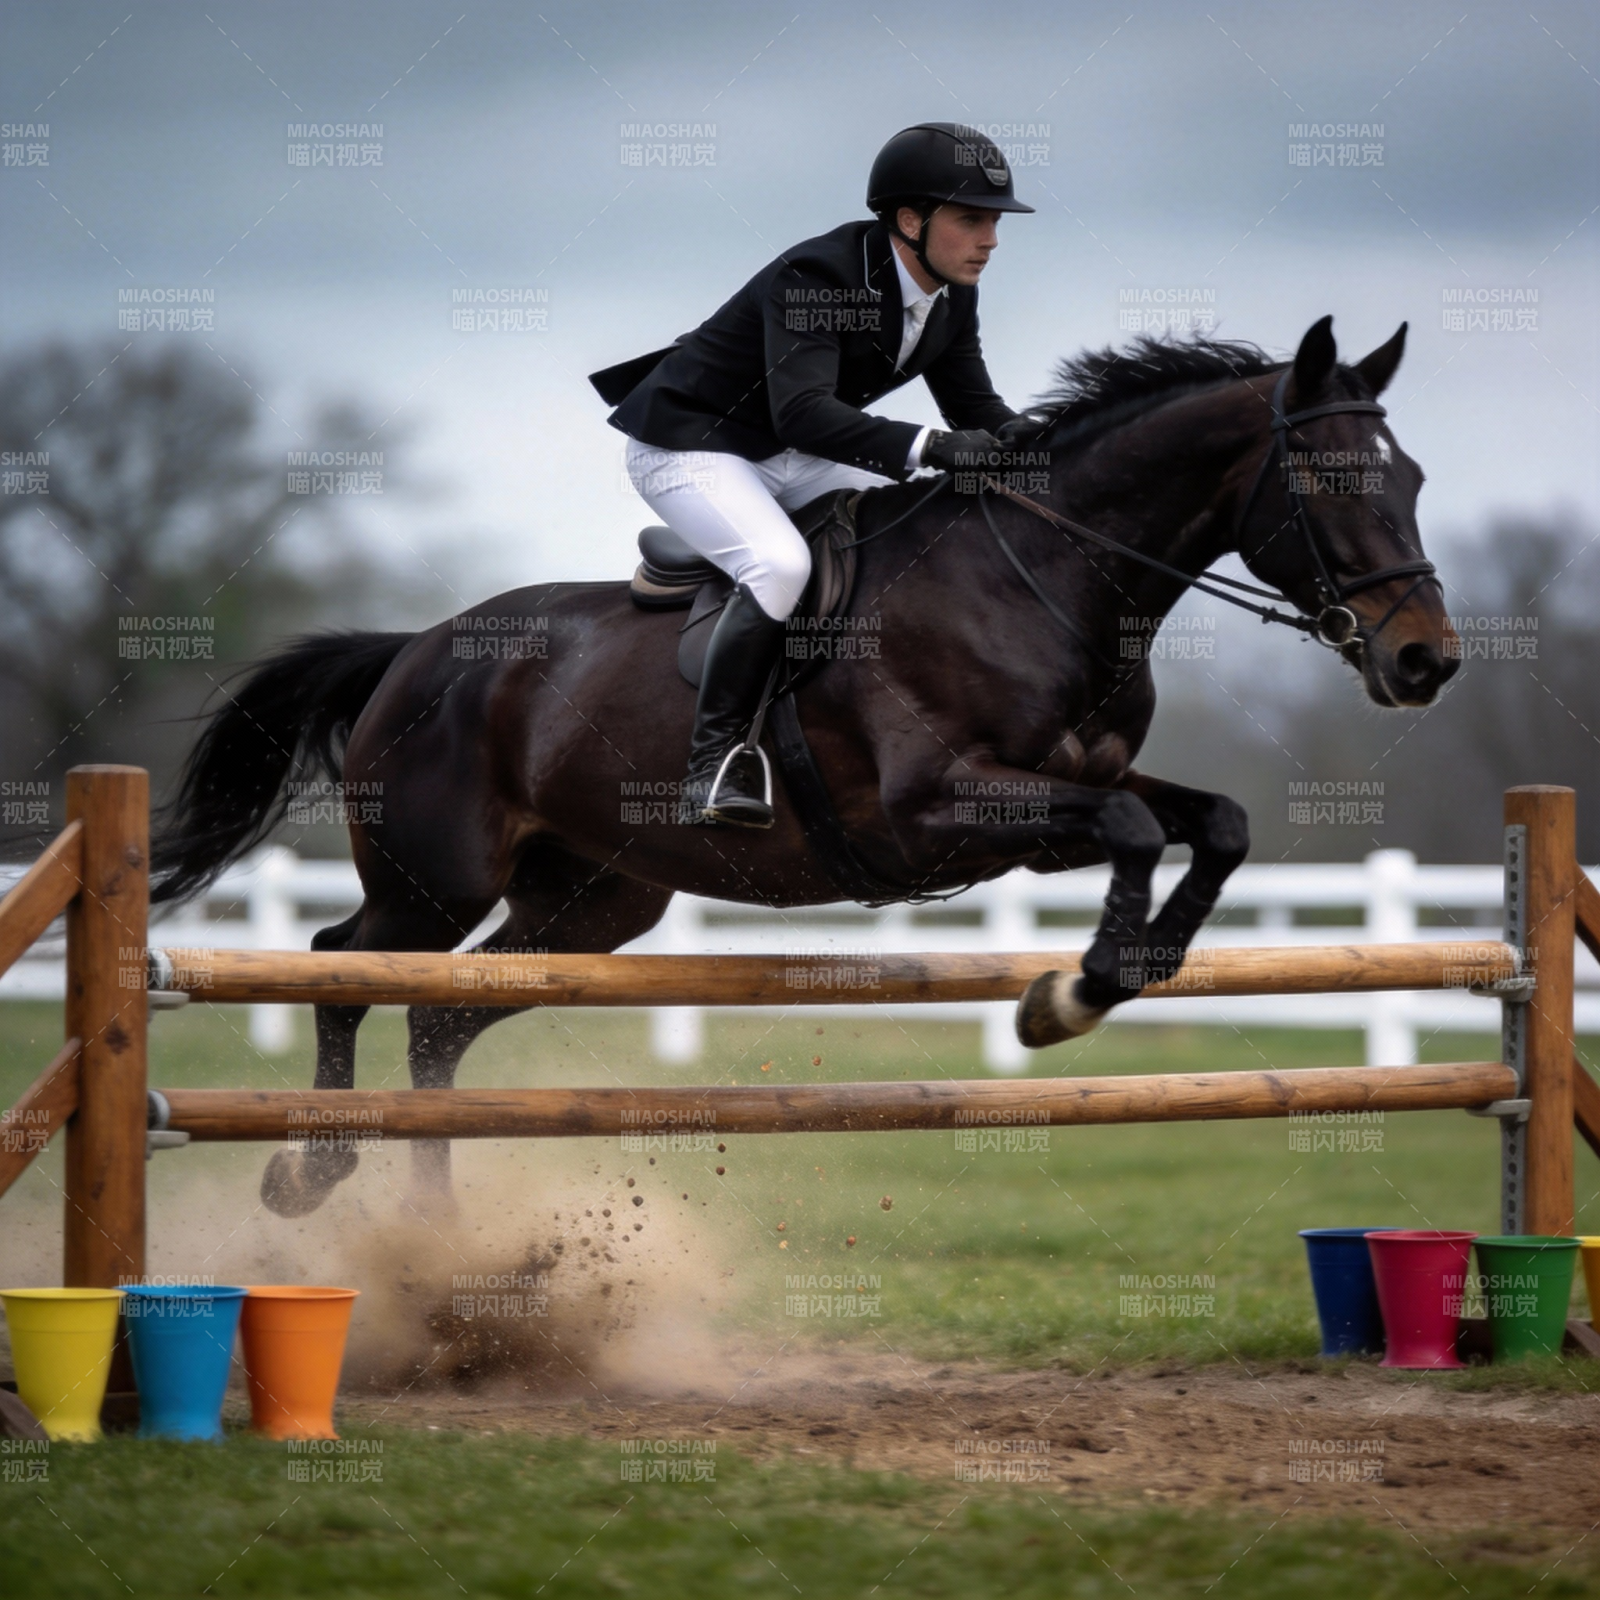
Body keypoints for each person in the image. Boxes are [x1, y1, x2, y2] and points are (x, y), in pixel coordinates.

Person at [590, 122, 1032, 828]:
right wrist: (935, 446)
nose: (991, 240)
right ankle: (714, 766)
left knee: (903, 537)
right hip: (690, 444)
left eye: (995, 222)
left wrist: (1045, 441)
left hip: (786, 453)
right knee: (778, 564)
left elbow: (976, 404)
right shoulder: (819, 277)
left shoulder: (952, 293)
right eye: (972, 220)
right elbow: (802, 413)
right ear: (911, 221)